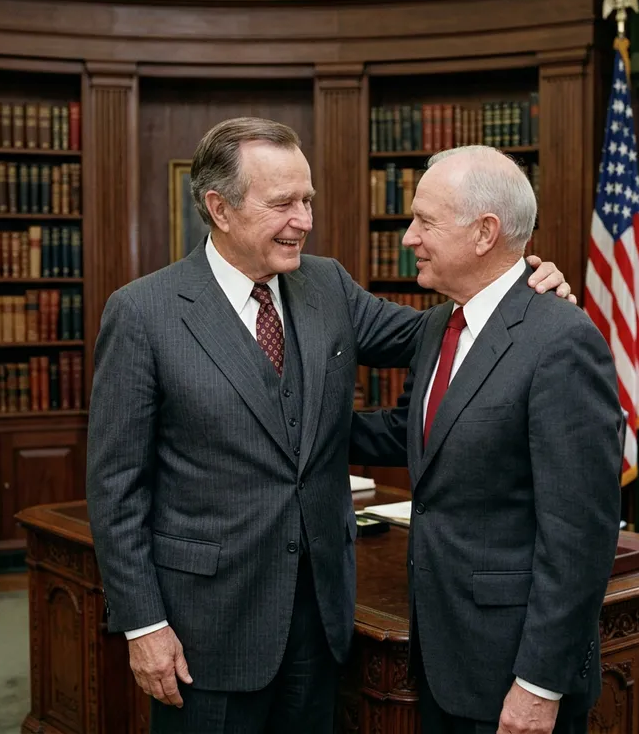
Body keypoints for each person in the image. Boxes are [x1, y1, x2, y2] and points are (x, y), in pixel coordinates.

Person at [85, 118, 572, 734]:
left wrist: (520, 293)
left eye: (307, 200)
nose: (304, 220)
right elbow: (115, 489)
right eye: (283, 203)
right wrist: (144, 625)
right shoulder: (143, 313)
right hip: (203, 631)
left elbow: (446, 331)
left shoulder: (327, 285)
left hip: (320, 621)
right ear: (220, 208)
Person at [350, 145, 623, 734]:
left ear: (484, 232)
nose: (407, 238)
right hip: (447, 657)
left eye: (424, 221)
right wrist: (292, 430)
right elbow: (419, 433)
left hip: (516, 676)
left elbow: (579, 539)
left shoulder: (561, 342)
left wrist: (538, 686)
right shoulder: (440, 325)